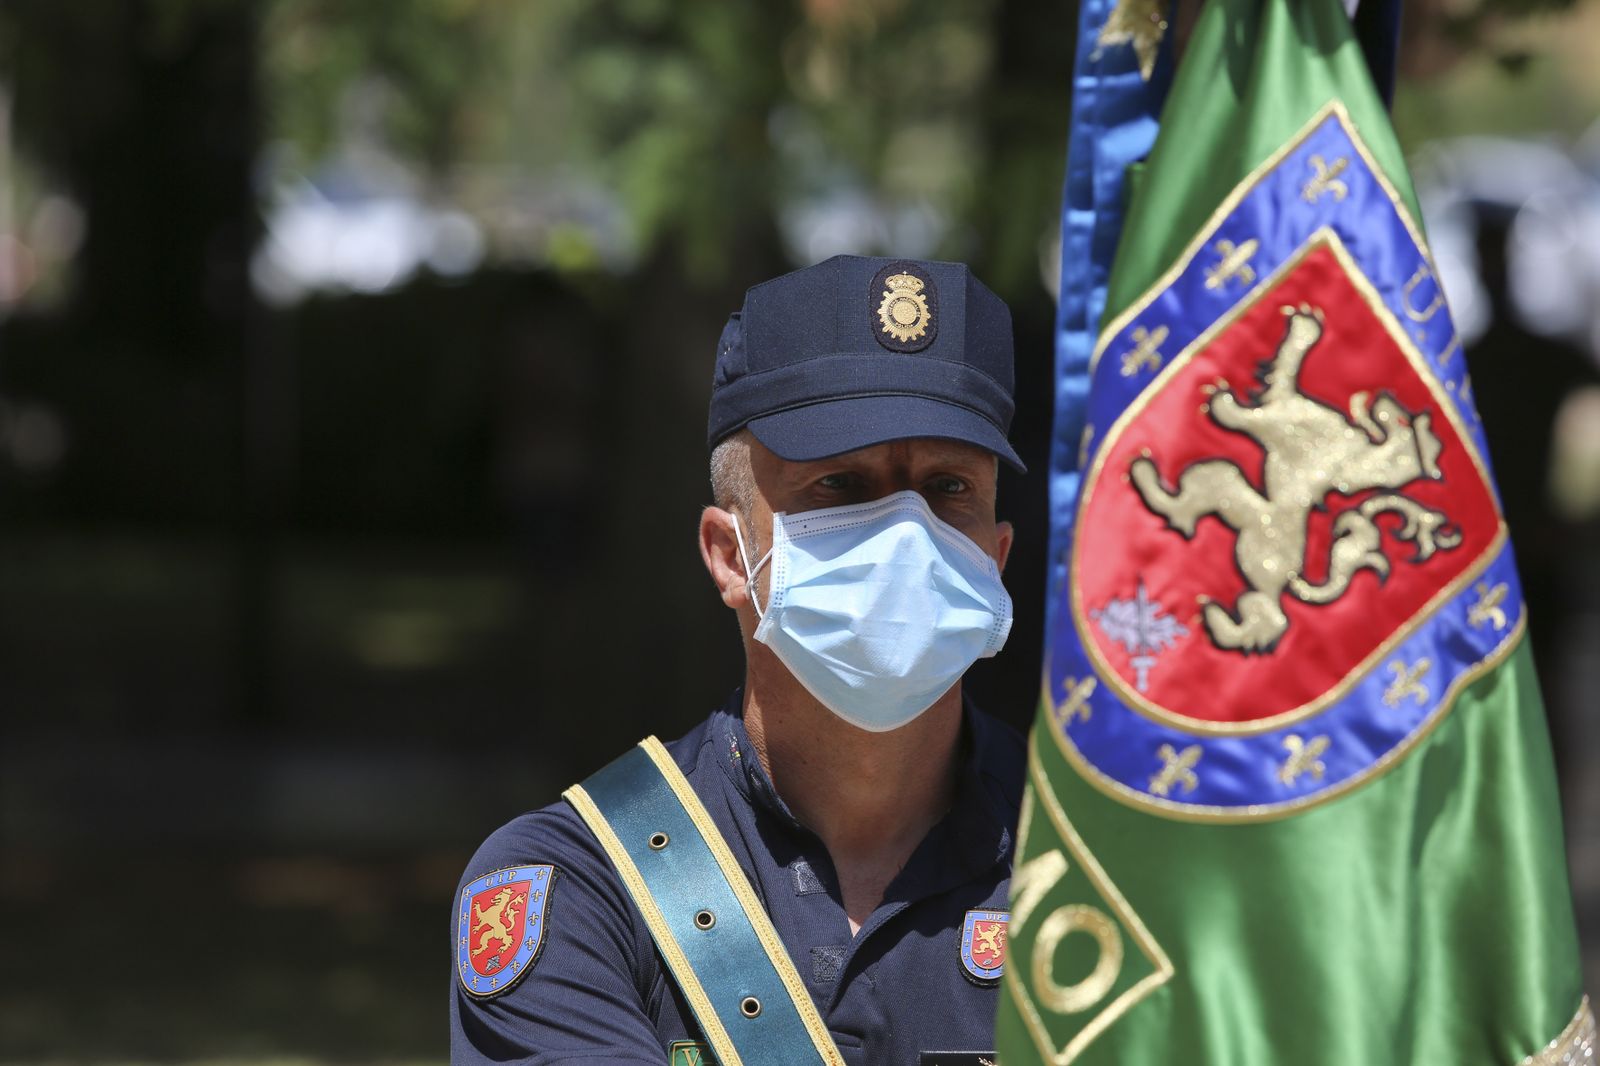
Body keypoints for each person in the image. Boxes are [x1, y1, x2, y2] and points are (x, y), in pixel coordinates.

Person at [451, 255, 1027, 1066]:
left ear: (995, 558)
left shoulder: (1101, 868)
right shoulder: (580, 888)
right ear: (729, 554)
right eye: (841, 484)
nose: (906, 534)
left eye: (947, 487)